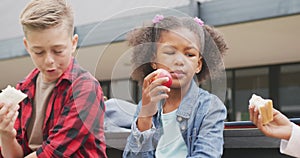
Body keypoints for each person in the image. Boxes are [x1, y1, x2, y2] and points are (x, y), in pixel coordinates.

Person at [0, 0, 107, 157]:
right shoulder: (23, 89)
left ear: (73, 43)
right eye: (39, 52)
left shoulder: (85, 88)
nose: (49, 60)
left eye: (58, 51)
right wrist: (6, 134)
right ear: (27, 46)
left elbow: (52, 154)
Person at [123, 15, 228, 157]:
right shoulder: (145, 105)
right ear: (153, 60)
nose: (179, 61)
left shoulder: (210, 106)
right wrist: (145, 117)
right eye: (170, 52)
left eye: (189, 54)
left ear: (198, 64)